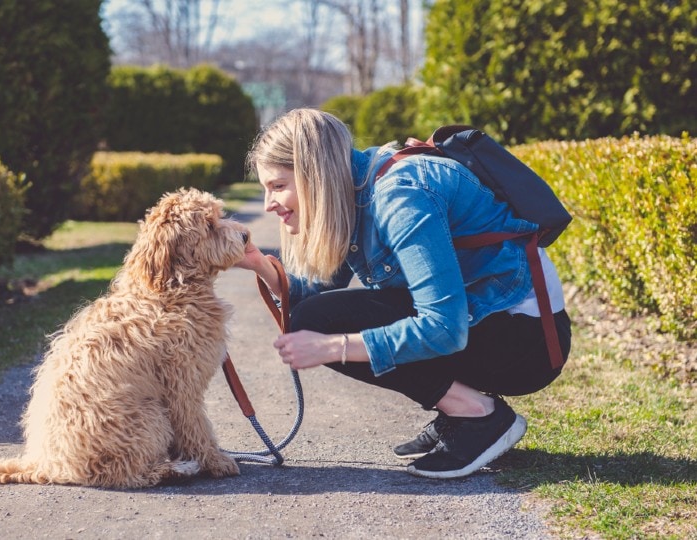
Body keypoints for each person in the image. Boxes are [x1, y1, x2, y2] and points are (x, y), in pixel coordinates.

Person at [236, 108, 571, 479]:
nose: (269, 205)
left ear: (314, 174)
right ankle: (461, 411)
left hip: (527, 342)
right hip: (491, 323)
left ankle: (478, 415)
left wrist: (333, 348)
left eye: (278, 186)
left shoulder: (400, 195)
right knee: (315, 318)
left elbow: (444, 328)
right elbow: (312, 302)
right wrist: (256, 263)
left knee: (319, 325)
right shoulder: (356, 188)